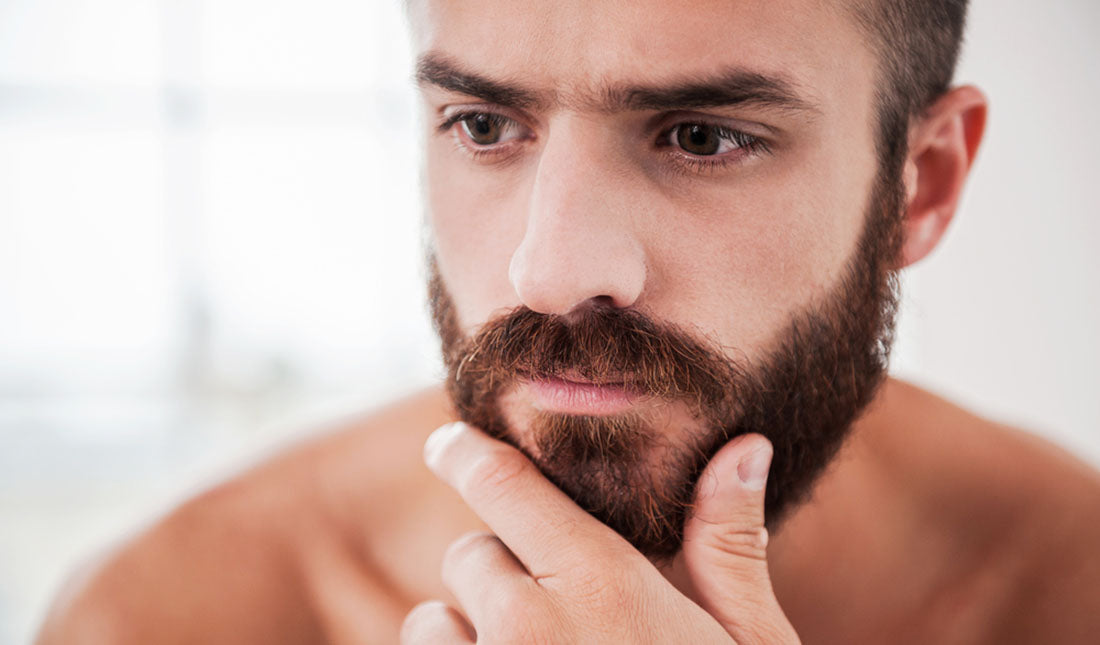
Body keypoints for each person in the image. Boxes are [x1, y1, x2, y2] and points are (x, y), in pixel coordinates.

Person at [36, 0, 1100, 643]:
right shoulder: (179, 616)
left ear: (918, 184)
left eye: (700, 137)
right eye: (484, 124)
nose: (547, 272)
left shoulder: (1069, 590)